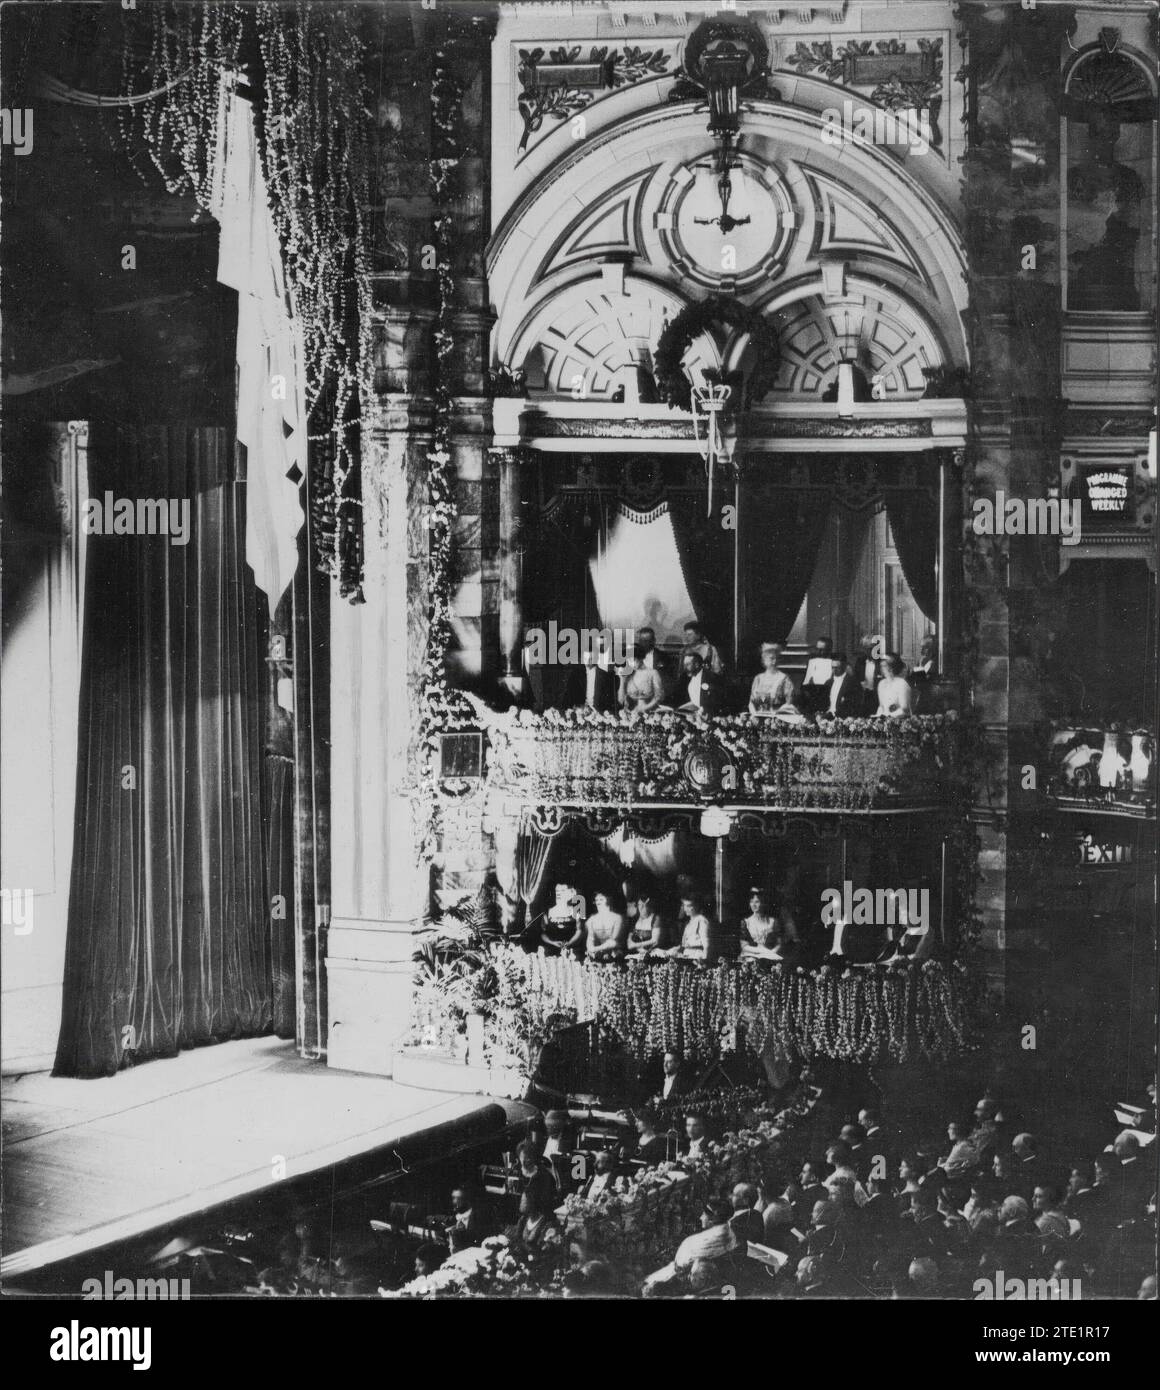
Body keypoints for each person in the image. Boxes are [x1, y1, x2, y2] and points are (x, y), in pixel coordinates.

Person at [739, 886, 794, 961]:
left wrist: (770, 954)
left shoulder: (773, 921)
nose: (753, 905)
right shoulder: (746, 922)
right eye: (751, 902)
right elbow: (744, 946)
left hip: (769, 956)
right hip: (750, 956)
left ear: (763, 903)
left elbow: (779, 944)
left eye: (757, 902)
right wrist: (763, 951)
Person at [563, 644, 618, 713]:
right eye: (585, 659)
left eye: (591, 659)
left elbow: (609, 702)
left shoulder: (605, 676)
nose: (588, 662)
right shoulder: (576, 674)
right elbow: (570, 697)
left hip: (599, 714)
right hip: (580, 712)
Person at [539, 881, 585, 957]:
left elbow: (579, 931)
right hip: (551, 952)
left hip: (571, 951)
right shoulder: (548, 912)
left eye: (563, 891)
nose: (559, 893)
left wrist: (570, 943)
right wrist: (552, 942)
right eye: (557, 891)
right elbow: (543, 933)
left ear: (571, 893)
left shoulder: (576, 912)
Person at [748, 642, 795, 714]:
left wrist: (778, 712)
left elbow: (789, 702)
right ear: (764, 659)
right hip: (758, 716)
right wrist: (754, 713)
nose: (774, 661)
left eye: (777, 658)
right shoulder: (758, 678)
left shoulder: (784, 678)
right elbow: (752, 702)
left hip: (778, 717)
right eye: (771, 658)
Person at [674, 650, 724, 715]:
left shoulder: (711, 678)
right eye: (684, 665)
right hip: (690, 714)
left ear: (697, 665)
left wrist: (705, 709)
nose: (685, 667)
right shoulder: (685, 678)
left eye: (687, 664)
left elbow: (717, 701)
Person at [586, 889, 629, 962]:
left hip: (616, 953)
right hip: (598, 954)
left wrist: (596, 949)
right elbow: (590, 939)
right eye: (597, 900)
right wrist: (591, 948)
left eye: (601, 899)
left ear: (608, 900)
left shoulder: (617, 918)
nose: (598, 902)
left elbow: (614, 940)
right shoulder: (591, 920)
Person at [620, 645, 665, 713]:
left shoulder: (653, 673)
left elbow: (659, 696)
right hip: (630, 713)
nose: (631, 664)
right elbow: (621, 701)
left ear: (640, 657)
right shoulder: (628, 675)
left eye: (633, 660)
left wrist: (644, 708)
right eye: (628, 661)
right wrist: (622, 680)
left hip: (650, 713)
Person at [626, 889, 672, 955]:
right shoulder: (635, 918)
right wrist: (632, 945)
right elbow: (629, 937)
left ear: (650, 906)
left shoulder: (656, 918)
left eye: (644, 905)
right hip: (636, 952)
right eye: (639, 904)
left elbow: (655, 940)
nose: (641, 908)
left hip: (651, 953)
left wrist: (636, 945)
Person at [634, 625, 672, 699]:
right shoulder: (632, 655)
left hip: (655, 695)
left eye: (646, 641)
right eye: (641, 641)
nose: (643, 644)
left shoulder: (664, 657)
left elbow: (667, 682)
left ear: (653, 641)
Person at [824, 652, 866, 718]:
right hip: (827, 717)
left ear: (844, 666)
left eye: (837, 668)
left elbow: (855, 705)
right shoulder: (828, 683)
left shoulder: (853, 682)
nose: (834, 671)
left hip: (843, 718)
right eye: (832, 667)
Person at [800, 637, 835, 715]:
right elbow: (805, 681)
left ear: (829, 649)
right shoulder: (811, 662)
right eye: (817, 649)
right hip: (812, 694)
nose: (819, 652)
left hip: (827, 694)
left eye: (822, 649)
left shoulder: (834, 662)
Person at [875, 652, 913, 719]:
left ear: (892, 667)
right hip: (884, 721)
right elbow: (881, 707)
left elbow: (905, 709)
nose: (881, 668)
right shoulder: (881, 684)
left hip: (900, 721)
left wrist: (889, 717)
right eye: (881, 666)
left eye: (884, 666)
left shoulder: (902, 684)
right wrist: (878, 717)